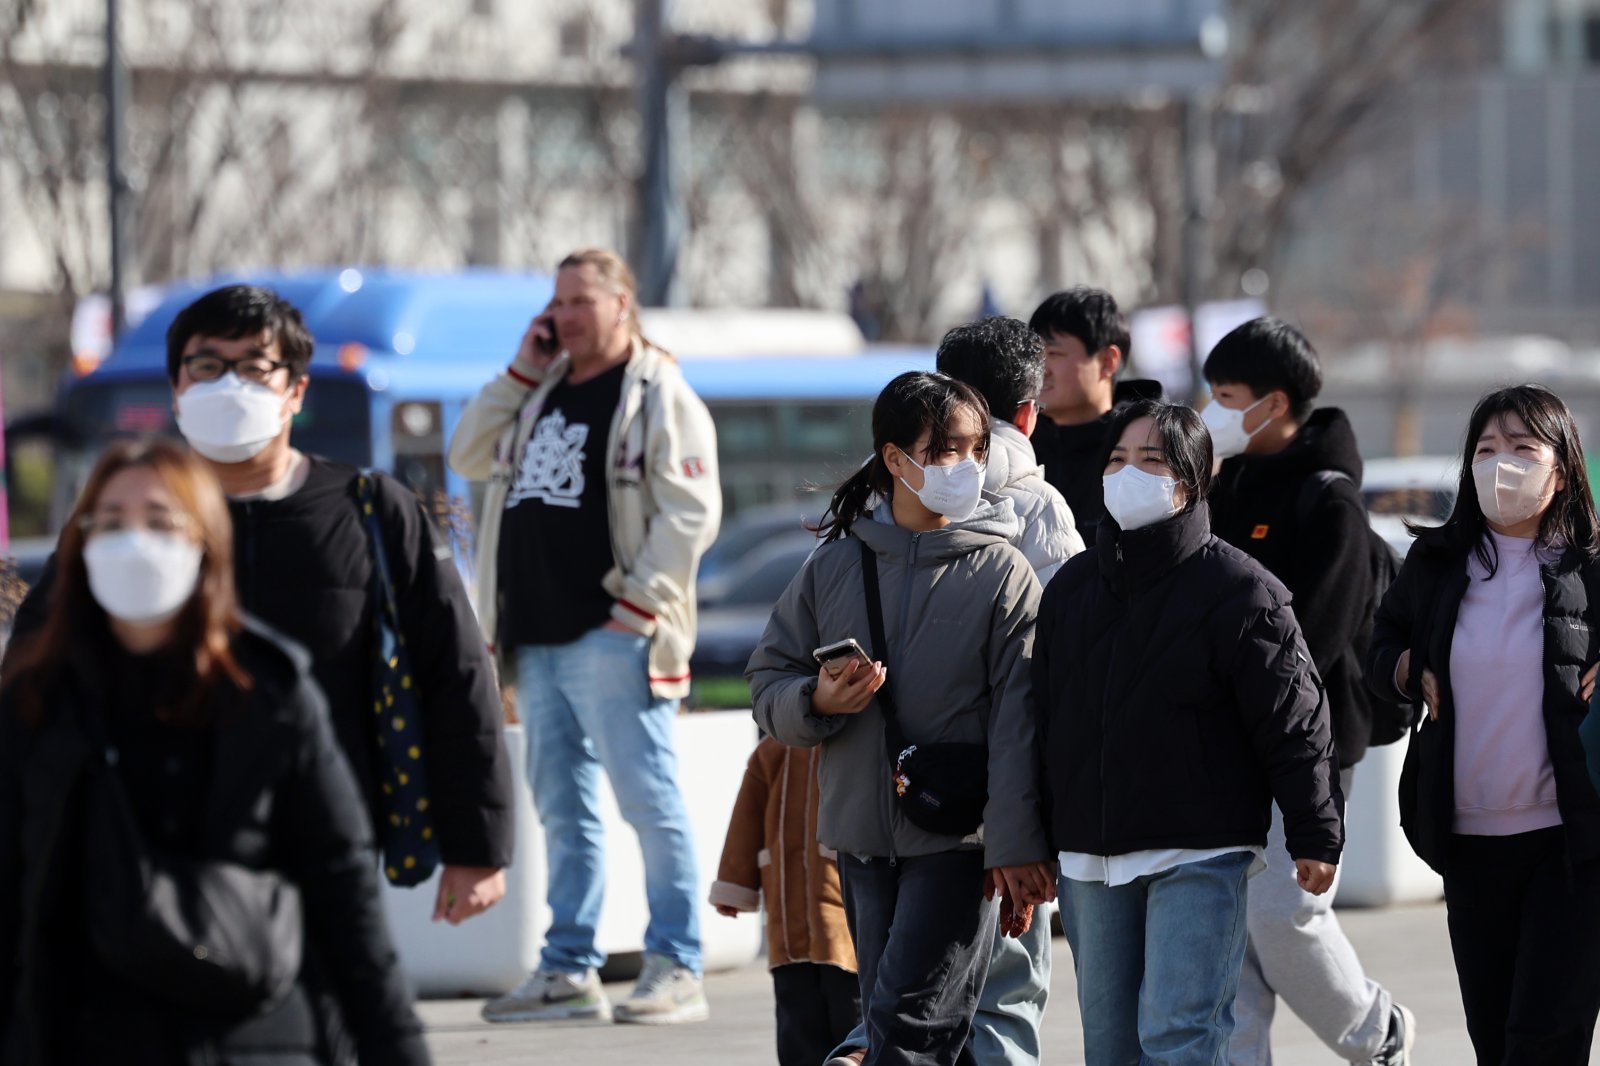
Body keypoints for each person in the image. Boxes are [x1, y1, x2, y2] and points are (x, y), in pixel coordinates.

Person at [11, 285, 515, 928]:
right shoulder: (125, 519)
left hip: (329, 836)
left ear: (295, 391)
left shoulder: (370, 511)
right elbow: (36, 668)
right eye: (207, 366)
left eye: (254, 368)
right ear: (176, 389)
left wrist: (478, 845)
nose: (229, 386)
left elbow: (456, 673)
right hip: (156, 833)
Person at [0, 439, 431, 1065]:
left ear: (204, 540)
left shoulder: (270, 692)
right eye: (110, 522)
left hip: (252, 1034)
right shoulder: (38, 702)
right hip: (84, 1034)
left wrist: (396, 1047)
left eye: (159, 521)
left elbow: (342, 891)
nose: (133, 540)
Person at [747, 370, 1054, 1066]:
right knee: (901, 1028)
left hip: (960, 841)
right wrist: (817, 702)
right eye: (946, 450)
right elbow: (768, 680)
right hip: (859, 840)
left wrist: (1014, 847)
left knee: (909, 1028)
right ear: (893, 458)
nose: (966, 466)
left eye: (976, 450)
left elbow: (1021, 725)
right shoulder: (833, 566)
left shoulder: (1004, 574)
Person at [449, 249, 722, 1025]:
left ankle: (677, 964)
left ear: (622, 304)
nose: (564, 316)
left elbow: (692, 511)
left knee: (648, 801)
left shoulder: (657, 392)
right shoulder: (537, 390)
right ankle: (569, 970)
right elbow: (466, 454)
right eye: (557, 302)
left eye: (580, 301)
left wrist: (639, 606)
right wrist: (518, 369)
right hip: (535, 635)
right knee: (563, 811)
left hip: (615, 634)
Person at [1035, 399, 1343, 1066]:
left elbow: (1295, 720)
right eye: (1117, 459)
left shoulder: (1241, 590)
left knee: (1181, 1036)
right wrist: (1029, 838)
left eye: (1152, 460)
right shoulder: (1071, 589)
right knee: (1110, 1048)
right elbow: (1040, 721)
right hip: (1091, 856)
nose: (1128, 473)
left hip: (1200, 849)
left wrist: (1315, 831)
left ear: (1195, 479)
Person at [1201, 318, 1414, 1066]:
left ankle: (1378, 1032)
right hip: (1221, 741)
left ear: (1275, 403)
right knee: (1229, 933)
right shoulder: (1222, 485)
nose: (1213, 410)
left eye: (1227, 396)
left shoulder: (1331, 503)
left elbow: (1315, 640)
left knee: (1282, 914)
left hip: (1304, 746)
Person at [1368, 385, 1600, 1065]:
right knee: (1494, 1041)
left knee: (1544, 1042)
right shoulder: (1437, 563)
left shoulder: (1589, 565)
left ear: (1563, 469)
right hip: (1468, 842)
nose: (1501, 465)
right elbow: (1380, 643)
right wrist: (1405, 667)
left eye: (1523, 449)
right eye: (1487, 449)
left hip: (1572, 844)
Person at [709, 737, 859, 1066]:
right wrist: (735, 885)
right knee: (797, 1019)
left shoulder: (857, 742)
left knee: (851, 1014)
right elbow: (746, 820)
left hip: (844, 919)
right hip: (787, 916)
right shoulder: (773, 750)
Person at [1025, 287, 1161, 547]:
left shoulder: (1149, 452)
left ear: (1108, 361)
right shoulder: (1020, 448)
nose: (1039, 368)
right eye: (1034, 355)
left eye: (1053, 353)